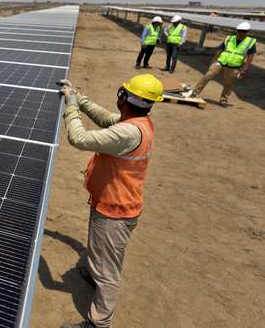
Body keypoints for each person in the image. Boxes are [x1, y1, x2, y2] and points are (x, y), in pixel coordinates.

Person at [57, 74, 164, 328]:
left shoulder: (128, 132)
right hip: (113, 204)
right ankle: (94, 273)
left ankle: (99, 322)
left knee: (108, 272)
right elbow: (106, 119)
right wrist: (80, 98)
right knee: (99, 252)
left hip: (116, 212)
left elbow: (79, 138)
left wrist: (70, 105)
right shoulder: (138, 122)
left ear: (125, 98)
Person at [184, 22, 256, 107]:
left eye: (243, 31)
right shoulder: (229, 38)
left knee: (228, 84)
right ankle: (195, 93)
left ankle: (223, 100)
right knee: (207, 76)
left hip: (234, 67)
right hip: (220, 62)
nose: (241, 33)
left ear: (247, 32)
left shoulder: (250, 42)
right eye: (239, 31)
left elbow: (250, 56)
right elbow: (220, 50)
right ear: (237, 30)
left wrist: (245, 69)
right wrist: (213, 61)